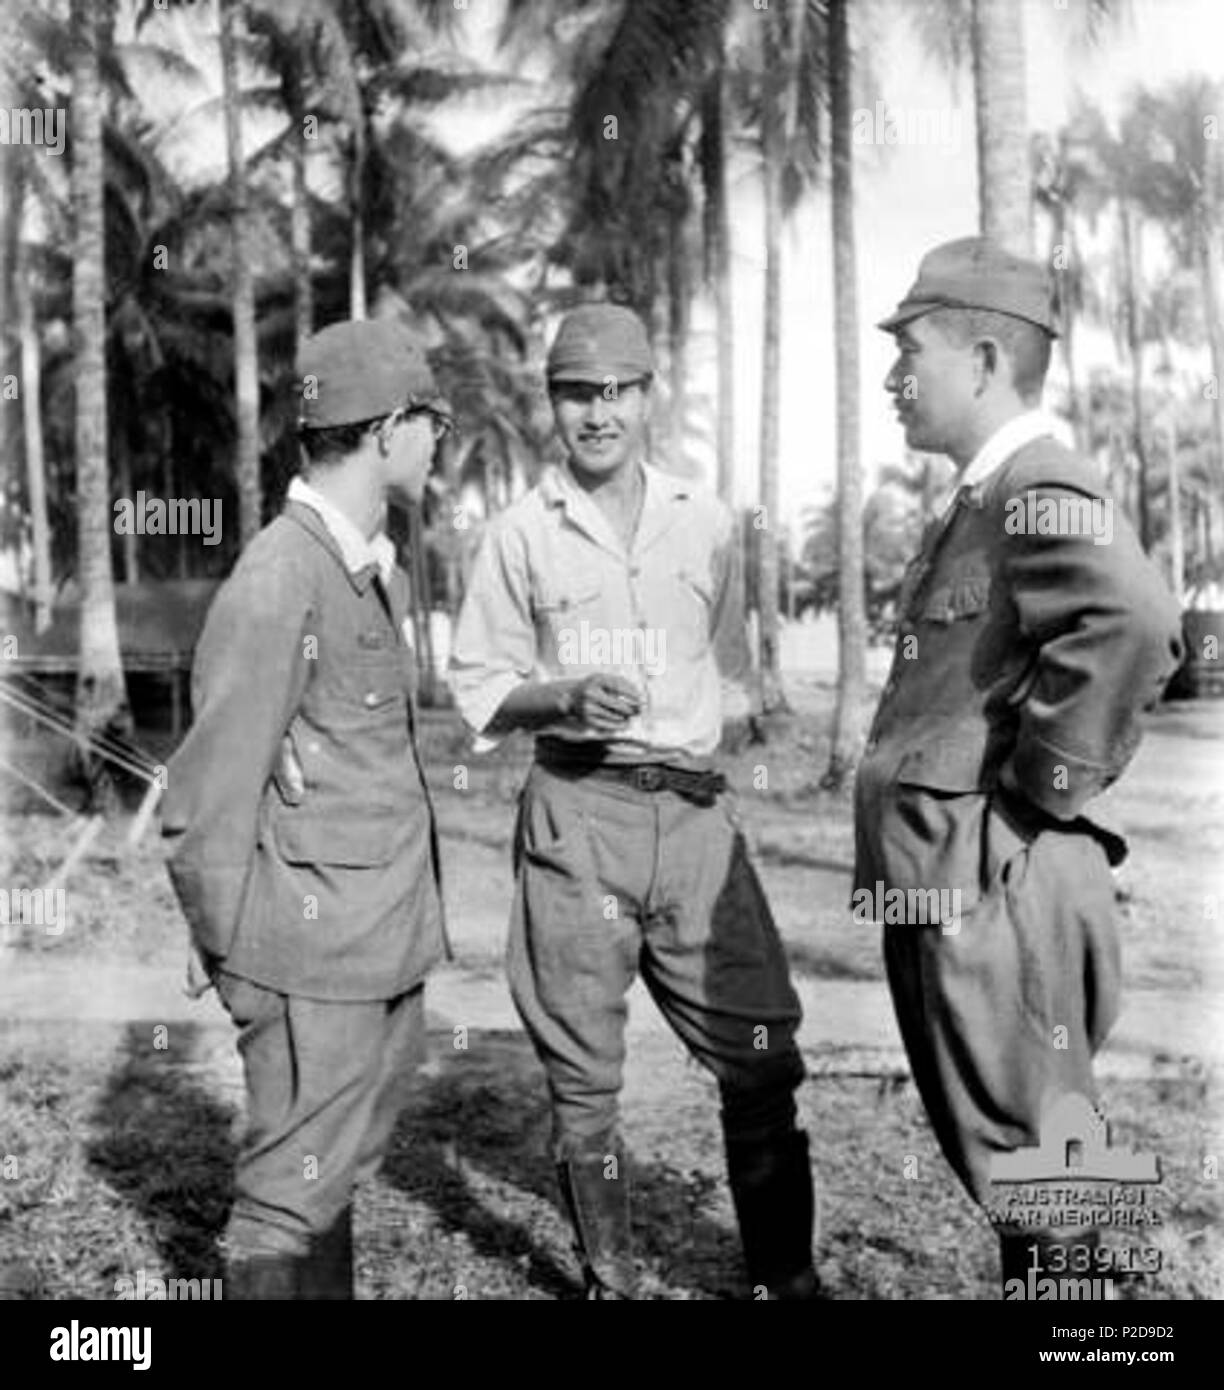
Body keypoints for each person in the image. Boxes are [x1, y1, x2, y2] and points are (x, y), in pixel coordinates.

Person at [449, 303, 818, 1300]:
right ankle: (610, 1277)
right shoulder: (521, 534)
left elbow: (733, 668)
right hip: (579, 815)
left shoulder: (705, 520)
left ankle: (788, 1282)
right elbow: (480, 684)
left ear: (650, 397)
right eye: (576, 394)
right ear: (552, 404)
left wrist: (704, 731)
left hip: (696, 822)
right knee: (584, 1086)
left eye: (617, 391)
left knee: (762, 1059)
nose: (598, 414)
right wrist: (560, 698)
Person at [858, 237, 1183, 1295]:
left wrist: (1031, 800)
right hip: (958, 876)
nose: (893, 379)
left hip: (995, 881)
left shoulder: (1034, 481)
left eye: (912, 353)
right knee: (1028, 1169)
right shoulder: (980, 498)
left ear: (987, 359)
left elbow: (1133, 620)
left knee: (1047, 1174)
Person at [161, 318, 452, 1299]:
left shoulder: (370, 565)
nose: (438, 440)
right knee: (288, 1194)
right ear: (387, 428)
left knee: (332, 1177)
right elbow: (206, 795)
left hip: (373, 947)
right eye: (431, 420)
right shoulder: (281, 576)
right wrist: (238, 958)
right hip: (305, 962)